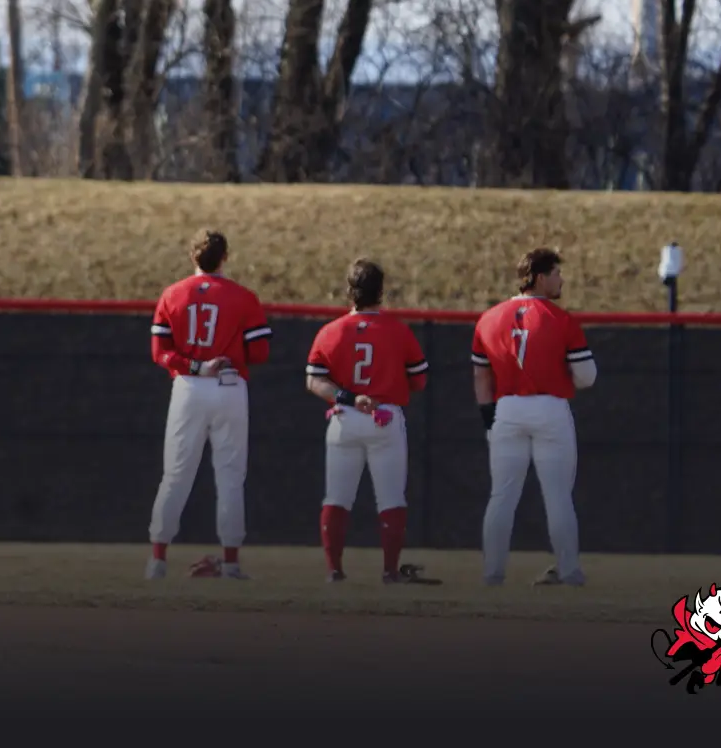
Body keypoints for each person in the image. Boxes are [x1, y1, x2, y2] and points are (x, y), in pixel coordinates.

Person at [144, 230, 271, 580]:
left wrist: (196, 365)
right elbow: (260, 352)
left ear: (192, 257)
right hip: (229, 387)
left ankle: (157, 560)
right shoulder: (243, 297)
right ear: (224, 257)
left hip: (188, 387)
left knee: (175, 475)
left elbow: (160, 353)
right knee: (230, 477)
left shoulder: (172, 294)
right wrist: (227, 356)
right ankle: (230, 562)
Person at [304, 259, 441, 585]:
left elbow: (314, 382)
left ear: (349, 291)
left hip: (345, 417)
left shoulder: (330, 331)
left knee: (336, 497)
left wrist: (347, 398)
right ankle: (390, 571)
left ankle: (334, 571)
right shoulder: (398, 330)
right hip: (385, 417)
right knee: (391, 498)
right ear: (380, 291)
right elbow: (419, 381)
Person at [472, 248, 597, 587]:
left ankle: (492, 573)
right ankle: (569, 571)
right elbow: (587, 376)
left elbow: (481, 378)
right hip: (550, 408)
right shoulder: (561, 319)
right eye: (556, 273)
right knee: (557, 496)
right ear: (540, 278)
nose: (562, 279)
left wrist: (489, 421)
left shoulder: (489, 318)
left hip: (506, 410)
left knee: (502, 496)